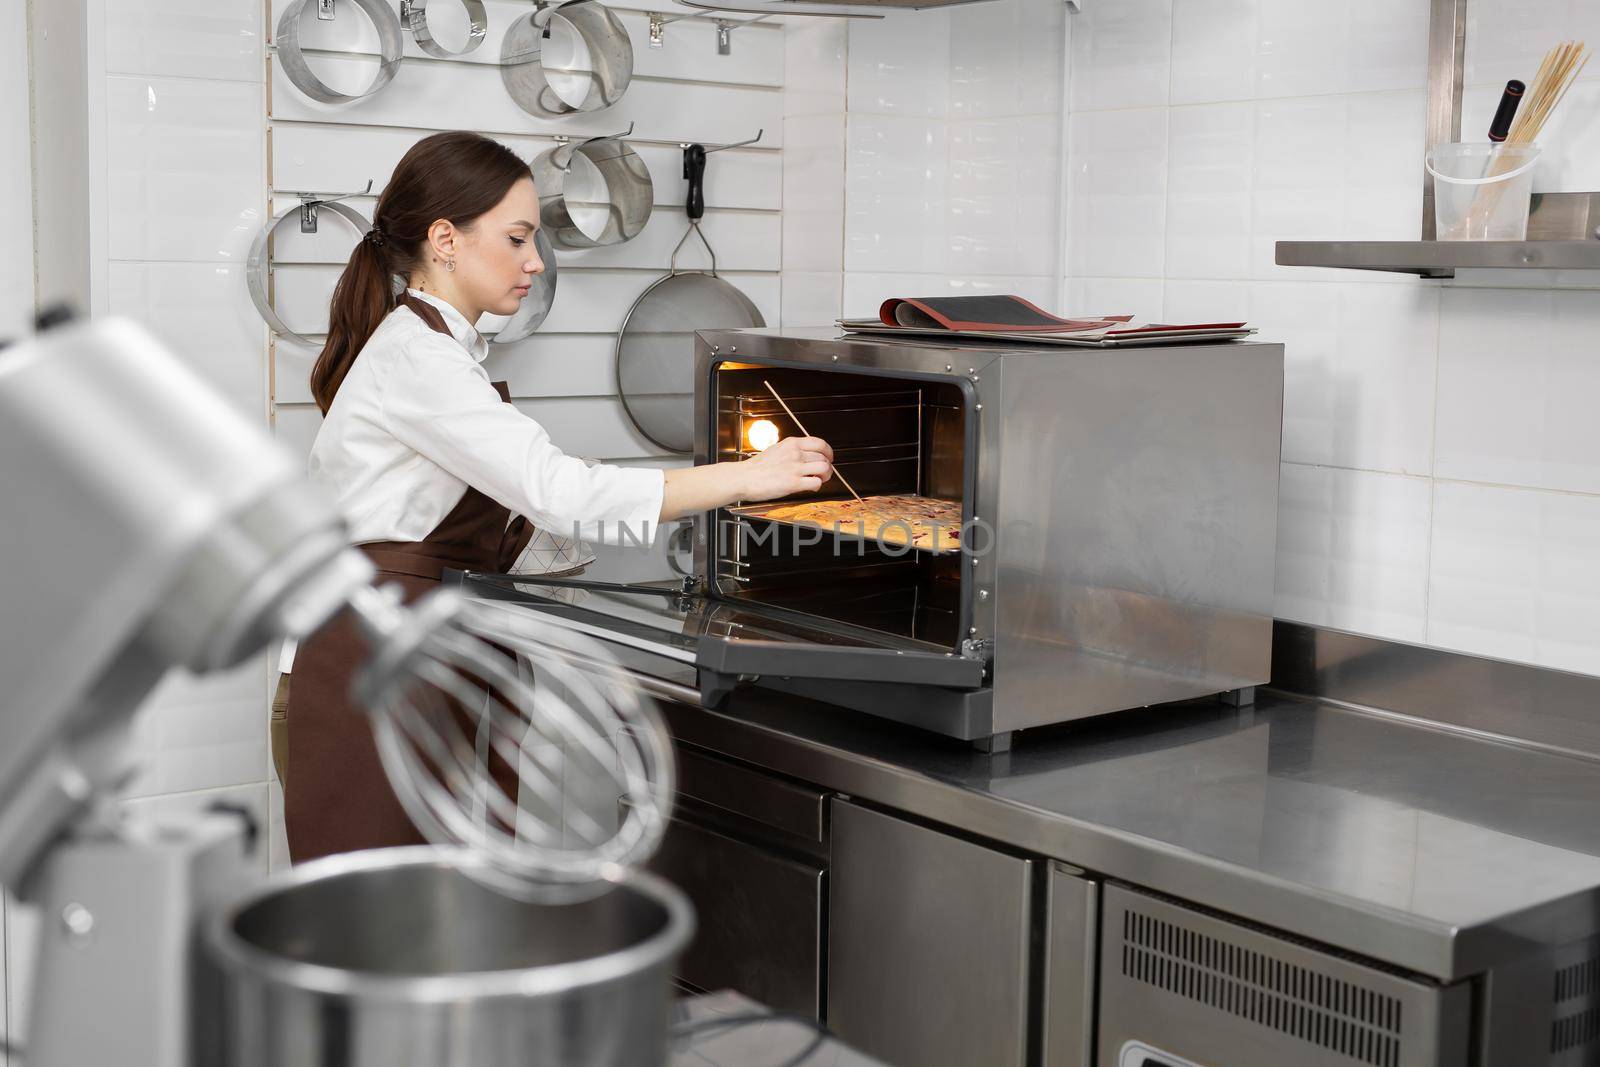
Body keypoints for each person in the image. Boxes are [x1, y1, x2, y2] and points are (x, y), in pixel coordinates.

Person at [282, 130, 833, 862]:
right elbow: (560, 491)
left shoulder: (436, 352)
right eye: (517, 238)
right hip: (369, 681)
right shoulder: (420, 361)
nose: (536, 262)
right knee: (378, 947)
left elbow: (490, 510)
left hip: (402, 663)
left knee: (427, 935)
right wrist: (746, 477)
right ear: (444, 240)